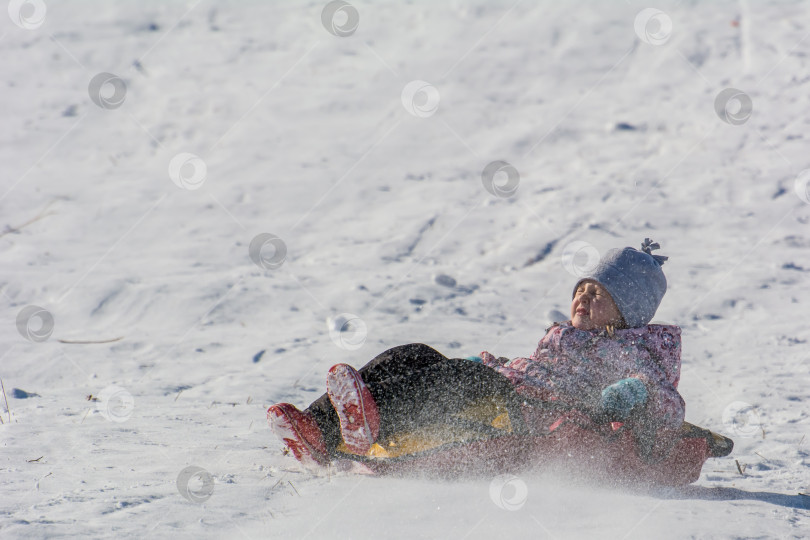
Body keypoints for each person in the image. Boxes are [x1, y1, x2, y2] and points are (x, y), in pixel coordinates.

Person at [267, 238, 685, 469]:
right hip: (512, 385)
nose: (583, 299)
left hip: (536, 412)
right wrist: (488, 361)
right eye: (581, 290)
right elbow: (534, 367)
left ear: (627, 312)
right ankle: (317, 424)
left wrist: (639, 390)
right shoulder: (563, 336)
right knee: (416, 353)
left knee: (466, 381)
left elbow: (669, 405)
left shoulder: (633, 350)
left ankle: (368, 418)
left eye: (598, 294)